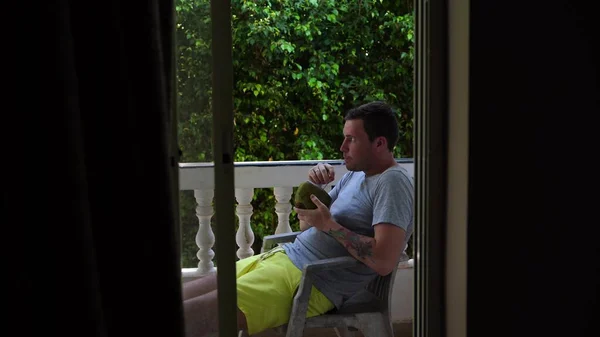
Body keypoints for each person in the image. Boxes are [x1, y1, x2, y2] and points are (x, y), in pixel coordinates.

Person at [182, 101, 414, 337]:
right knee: (185, 295)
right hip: (283, 258)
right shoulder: (355, 175)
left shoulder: (392, 183)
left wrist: (329, 225)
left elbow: (384, 260)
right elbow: (306, 225)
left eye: (351, 139)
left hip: (308, 280)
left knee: (191, 315)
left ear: (379, 143)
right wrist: (316, 188)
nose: (342, 147)